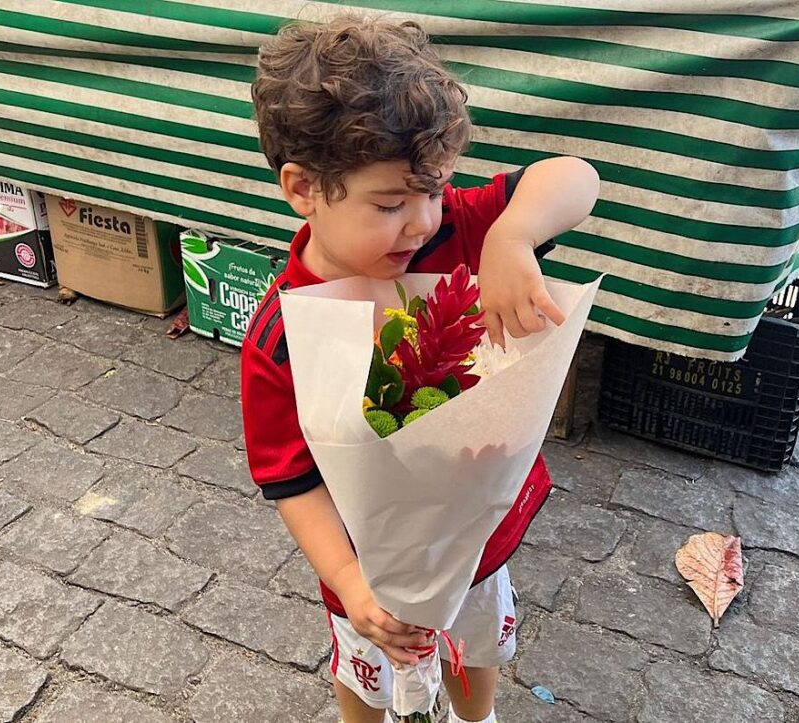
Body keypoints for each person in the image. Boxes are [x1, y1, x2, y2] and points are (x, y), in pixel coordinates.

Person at [241, 15, 599, 723]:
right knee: (366, 671)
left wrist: (514, 232)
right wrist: (349, 580)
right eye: (390, 203)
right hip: (370, 573)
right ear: (303, 189)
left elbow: (576, 178)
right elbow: (289, 478)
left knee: (477, 650)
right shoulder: (284, 335)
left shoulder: (458, 231)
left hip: (476, 541)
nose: (422, 222)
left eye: (435, 189)